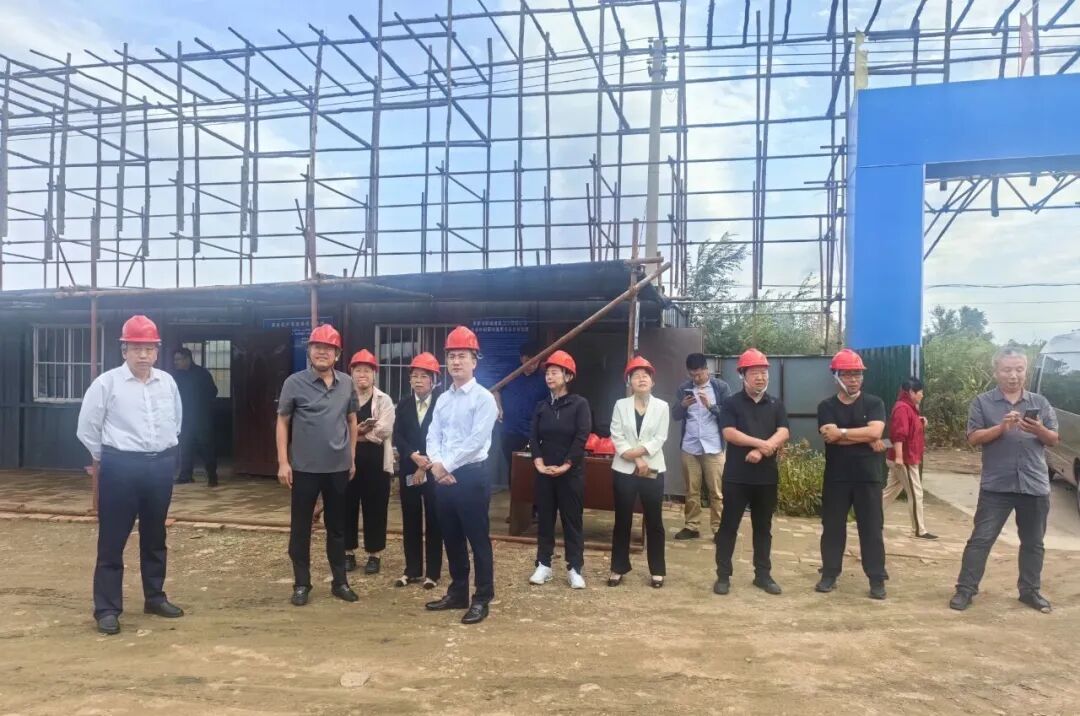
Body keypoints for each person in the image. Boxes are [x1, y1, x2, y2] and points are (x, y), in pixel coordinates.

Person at [76, 315, 184, 636]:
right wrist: (108, 457)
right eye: (136, 348)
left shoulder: (167, 382)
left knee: (155, 536)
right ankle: (107, 609)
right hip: (120, 467)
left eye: (149, 348)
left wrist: (162, 453)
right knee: (112, 539)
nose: (143, 355)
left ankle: (155, 597)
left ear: (157, 351)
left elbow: (176, 422)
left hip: (160, 466)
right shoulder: (106, 384)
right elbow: (87, 428)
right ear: (124, 350)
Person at [950, 347, 1060, 614]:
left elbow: (1054, 439)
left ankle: (1030, 591)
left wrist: (1039, 429)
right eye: (1007, 369)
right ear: (996, 372)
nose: (1013, 375)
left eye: (1019, 369)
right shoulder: (982, 402)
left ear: (1026, 371)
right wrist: (1002, 428)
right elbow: (973, 438)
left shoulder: (1040, 402)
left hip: (1034, 485)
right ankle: (965, 590)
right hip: (996, 486)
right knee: (981, 539)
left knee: (1033, 543)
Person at [275, 324, 359, 607]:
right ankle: (302, 584)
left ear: (337, 354)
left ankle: (340, 582)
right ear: (309, 351)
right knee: (301, 528)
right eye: (317, 347)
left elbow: (352, 420)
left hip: (338, 468)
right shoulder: (294, 383)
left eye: (328, 349)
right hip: (304, 468)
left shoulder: (346, 383)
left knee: (337, 528)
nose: (322, 353)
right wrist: (283, 462)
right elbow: (282, 421)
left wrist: (352, 456)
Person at [424, 326, 500, 625]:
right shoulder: (443, 399)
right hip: (443, 477)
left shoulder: (484, 399)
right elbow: (433, 434)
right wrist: (436, 465)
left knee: (477, 539)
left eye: (462, 356)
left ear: (474, 361)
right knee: (451, 537)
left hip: (471, 477)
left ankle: (482, 597)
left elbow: (477, 442)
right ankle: (458, 592)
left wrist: (446, 466)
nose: (456, 362)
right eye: (452, 356)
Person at [713, 349, 790, 596]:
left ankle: (763, 575)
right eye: (755, 372)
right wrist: (761, 444)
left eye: (764, 372)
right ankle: (723, 575)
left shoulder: (776, 404)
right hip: (737, 476)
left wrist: (763, 449)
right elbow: (729, 433)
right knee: (728, 526)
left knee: (763, 528)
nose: (760, 377)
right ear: (743, 375)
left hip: (766, 477)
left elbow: (784, 431)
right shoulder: (731, 403)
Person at [816, 348, 890, 600]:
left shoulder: (874, 403)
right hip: (837, 477)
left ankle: (877, 578)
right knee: (832, 527)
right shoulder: (826, 406)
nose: (853, 380)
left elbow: (875, 433)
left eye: (857, 374)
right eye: (847, 375)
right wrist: (863, 436)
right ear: (836, 377)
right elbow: (829, 435)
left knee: (871, 528)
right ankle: (829, 573)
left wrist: (844, 434)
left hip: (868, 476)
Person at [527, 350, 592, 589]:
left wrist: (566, 464)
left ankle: (575, 568)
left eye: (555, 372)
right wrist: (538, 462)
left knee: (572, 521)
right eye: (548, 373)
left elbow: (581, 436)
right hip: (545, 473)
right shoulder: (541, 406)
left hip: (571, 473)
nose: (549, 376)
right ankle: (543, 564)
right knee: (545, 519)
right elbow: (533, 437)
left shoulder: (580, 404)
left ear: (568, 376)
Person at [609, 356, 670, 589]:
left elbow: (660, 437)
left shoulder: (662, 407)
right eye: (636, 376)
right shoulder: (620, 405)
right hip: (624, 469)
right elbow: (617, 436)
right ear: (629, 382)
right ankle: (618, 567)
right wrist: (636, 459)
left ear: (653, 381)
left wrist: (642, 456)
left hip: (653, 468)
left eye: (646, 375)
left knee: (654, 520)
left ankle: (657, 570)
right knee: (622, 519)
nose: (641, 379)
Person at [392, 352, 444, 589]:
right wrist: (413, 456)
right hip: (409, 469)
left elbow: (445, 435)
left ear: (433, 380)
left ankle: (433, 573)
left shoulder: (443, 403)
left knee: (434, 519)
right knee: (410, 518)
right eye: (414, 376)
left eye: (424, 376)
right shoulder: (403, 404)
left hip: (434, 470)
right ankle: (412, 570)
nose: (418, 381)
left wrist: (427, 462)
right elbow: (398, 435)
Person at [344, 349, 396, 576]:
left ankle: (374, 555)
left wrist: (354, 434)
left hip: (376, 464)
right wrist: (360, 431)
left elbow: (384, 430)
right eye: (358, 370)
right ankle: (348, 552)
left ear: (374, 374)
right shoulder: (343, 398)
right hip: (346, 462)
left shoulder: (384, 400)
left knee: (375, 508)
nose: (362, 375)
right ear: (351, 373)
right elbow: (335, 427)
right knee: (346, 507)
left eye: (367, 370)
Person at [671, 353, 730, 540]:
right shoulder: (684, 388)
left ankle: (719, 529)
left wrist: (710, 405)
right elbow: (675, 415)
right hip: (690, 446)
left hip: (713, 446)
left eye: (699, 374)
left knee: (716, 491)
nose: (696, 378)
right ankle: (692, 526)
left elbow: (729, 415)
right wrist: (683, 405)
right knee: (691, 489)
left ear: (707, 369)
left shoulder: (721, 387)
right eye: (692, 375)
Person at [496, 341, 550, 514]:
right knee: (514, 472)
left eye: (535, 362)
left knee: (534, 470)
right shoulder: (511, 373)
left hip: (533, 434)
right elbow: (496, 390)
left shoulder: (543, 378)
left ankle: (535, 509)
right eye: (528, 361)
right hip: (510, 432)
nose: (531, 366)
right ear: (521, 359)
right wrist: (498, 407)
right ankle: (517, 511)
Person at [883, 377, 936, 540]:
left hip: (902, 457)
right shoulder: (903, 408)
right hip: (905, 459)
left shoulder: (907, 407)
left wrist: (920, 421)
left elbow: (908, 426)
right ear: (912, 392)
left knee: (890, 492)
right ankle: (919, 530)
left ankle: (868, 516)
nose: (922, 395)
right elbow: (899, 434)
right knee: (915, 493)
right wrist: (900, 458)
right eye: (920, 392)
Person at [171, 347, 219, 487]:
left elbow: (213, 392)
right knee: (185, 447)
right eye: (175, 360)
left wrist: (202, 404)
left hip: (201, 418)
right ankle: (185, 475)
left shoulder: (202, 374)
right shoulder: (176, 376)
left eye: (178, 359)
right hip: (184, 418)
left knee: (206, 447)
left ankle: (212, 476)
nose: (175, 362)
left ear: (187, 359)